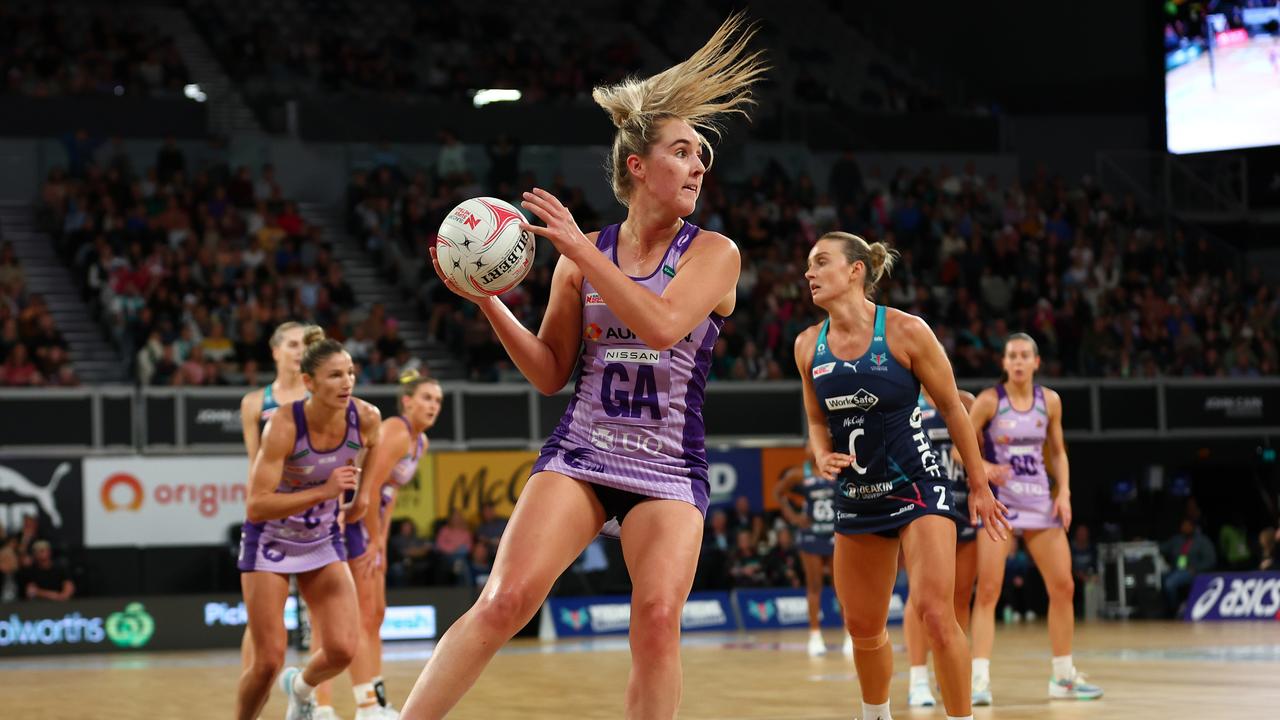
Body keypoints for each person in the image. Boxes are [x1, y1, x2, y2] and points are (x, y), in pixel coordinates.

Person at [400, 13, 765, 719]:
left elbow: (660, 327)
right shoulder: (583, 254)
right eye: (684, 152)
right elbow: (548, 371)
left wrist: (580, 249)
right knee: (503, 600)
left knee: (656, 622)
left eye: (702, 156)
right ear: (638, 166)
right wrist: (487, 301)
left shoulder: (713, 253)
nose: (698, 167)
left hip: (667, 471)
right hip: (582, 453)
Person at [796, 231, 1009, 720]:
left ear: (855, 271)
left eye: (821, 262)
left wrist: (978, 482)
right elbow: (813, 417)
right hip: (857, 495)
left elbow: (955, 410)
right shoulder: (808, 345)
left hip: (919, 486)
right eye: (808, 264)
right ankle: (877, 715)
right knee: (862, 626)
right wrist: (821, 451)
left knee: (936, 612)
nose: (809, 272)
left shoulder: (906, 331)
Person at [234, 327, 382, 720]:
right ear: (308, 382)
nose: (347, 381)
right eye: (335, 375)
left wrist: (363, 495)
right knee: (267, 662)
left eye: (350, 372)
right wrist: (325, 491)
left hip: (321, 538)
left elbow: (375, 444)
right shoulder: (282, 423)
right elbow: (256, 506)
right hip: (271, 539)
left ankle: (300, 689)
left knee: (342, 649)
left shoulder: (366, 417)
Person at [968, 333, 1102, 704]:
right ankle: (978, 681)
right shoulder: (990, 401)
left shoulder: (1050, 402)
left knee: (1064, 588)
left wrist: (1065, 492)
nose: (1018, 361)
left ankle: (1063, 678)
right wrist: (983, 466)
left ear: (1036, 362)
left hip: (1041, 503)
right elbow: (959, 438)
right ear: (1004, 362)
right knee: (989, 592)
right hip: (1001, 505)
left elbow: (1058, 452)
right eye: (1012, 355)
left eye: (1025, 355)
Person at [324, 368, 441, 719]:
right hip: (352, 519)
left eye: (438, 400)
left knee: (376, 614)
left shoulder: (421, 441)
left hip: (372, 525)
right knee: (361, 615)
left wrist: (384, 545)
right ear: (407, 402)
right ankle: (365, 707)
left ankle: (375, 697)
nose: (433, 406)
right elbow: (369, 489)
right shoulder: (395, 430)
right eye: (426, 398)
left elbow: (389, 498)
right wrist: (373, 539)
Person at [236, 321, 310, 704]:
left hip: (313, 514)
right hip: (271, 517)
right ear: (275, 350)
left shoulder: (320, 395)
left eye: (305, 344)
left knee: (317, 614)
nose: (300, 350)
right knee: (264, 617)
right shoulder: (254, 402)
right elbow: (255, 464)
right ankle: (257, 688)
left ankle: (314, 699)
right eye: (293, 344)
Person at [902, 387, 977, 707]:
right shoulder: (906, 397)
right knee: (920, 597)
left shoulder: (968, 402)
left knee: (961, 594)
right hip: (924, 506)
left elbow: (978, 451)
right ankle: (918, 678)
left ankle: (949, 673)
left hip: (963, 504)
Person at [774, 451, 852, 657]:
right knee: (814, 585)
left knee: (841, 588)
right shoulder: (799, 474)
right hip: (811, 535)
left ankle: (848, 636)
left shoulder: (838, 469)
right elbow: (778, 492)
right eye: (809, 443)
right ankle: (815, 636)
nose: (813, 447)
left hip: (835, 533)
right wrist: (793, 517)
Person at [1160, 517, 1217, 617]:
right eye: (1183, 526)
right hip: (1176, 569)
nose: (1184, 528)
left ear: (1192, 527)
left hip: (1193, 571)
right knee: (1159, 579)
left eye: (1187, 526)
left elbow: (1210, 560)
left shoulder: (1202, 541)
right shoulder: (1177, 539)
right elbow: (1162, 547)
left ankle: (1175, 609)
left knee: (1170, 583)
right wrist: (1146, 543)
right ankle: (1167, 608)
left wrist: (1196, 568)